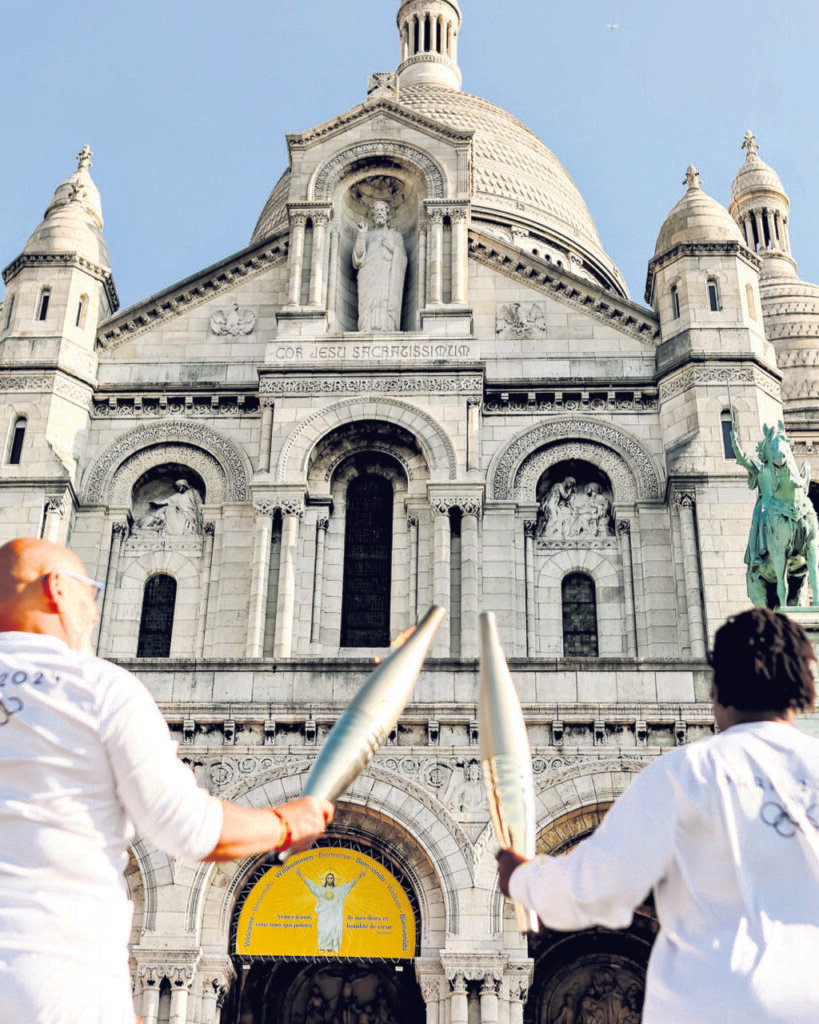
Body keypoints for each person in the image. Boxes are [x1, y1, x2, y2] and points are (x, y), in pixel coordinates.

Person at [0, 537, 333, 1024]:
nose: (95, 613)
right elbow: (188, 827)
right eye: (90, 593)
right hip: (50, 979)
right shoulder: (97, 687)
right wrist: (286, 824)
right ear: (57, 589)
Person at [497, 606, 819, 1023]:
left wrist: (521, 878)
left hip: (716, 1002)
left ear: (717, 689)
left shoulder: (689, 772)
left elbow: (599, 885)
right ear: (803, 684)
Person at [352, 200, 407, 332]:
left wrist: (393, 248)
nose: (379, 213)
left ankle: (386, 325)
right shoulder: (368, 235)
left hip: (386, 273)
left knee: (384, 299)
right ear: (373, 216)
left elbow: (403, 259)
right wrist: (361, 235)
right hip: (368, 274)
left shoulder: (395, 236)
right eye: (377, 211)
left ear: (387, 215)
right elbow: (358, 258)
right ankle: (366, 325)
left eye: (382, 210)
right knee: (368, 300)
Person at [296, 868, 364, 952]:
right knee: (322, 929)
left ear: (333, 879)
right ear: (325, 879)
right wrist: (300, 875)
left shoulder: (338, 890)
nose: (329, 879)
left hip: (333, 914)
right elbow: (311, 885)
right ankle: (322, 947)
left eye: (331, 878)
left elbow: (350, 885)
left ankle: (329, 948)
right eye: (328, 878)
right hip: (323, 914)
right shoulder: (321, 890)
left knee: (332, 929)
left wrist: (359, 876)